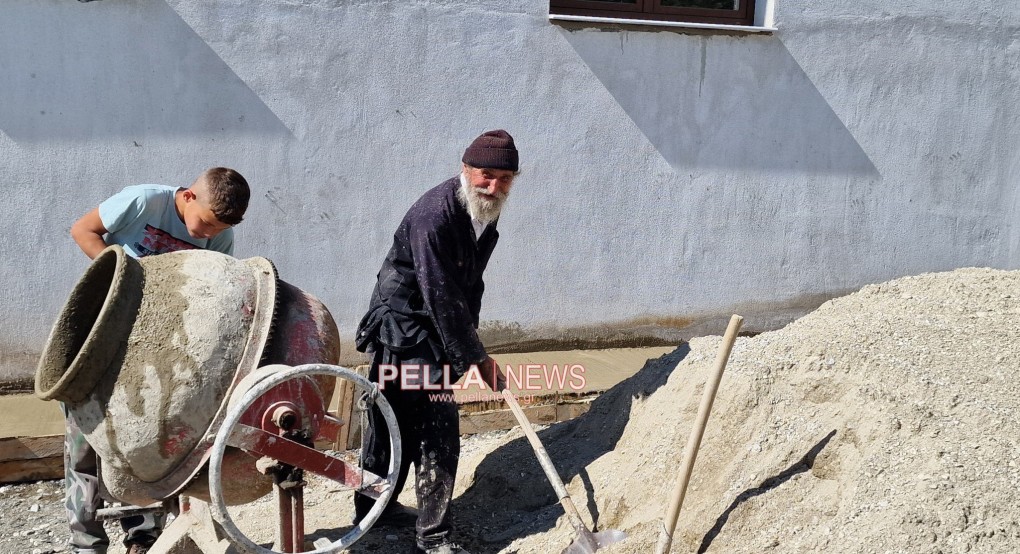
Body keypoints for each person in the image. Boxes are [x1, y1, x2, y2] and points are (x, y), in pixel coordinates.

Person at [65, 167, 251, 554]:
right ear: (187, 198)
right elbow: (82, 231)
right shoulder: (143, 200)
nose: (209, 235)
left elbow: (209, 291)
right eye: (205, 224)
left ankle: (143, 537)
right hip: (102, 330)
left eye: (218, 229)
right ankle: (86, 543)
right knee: (84, 444)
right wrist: (124, 281)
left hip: (156, 348)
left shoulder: (222, 236)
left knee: (143, 441)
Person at [353, 130, 519, 554]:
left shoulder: (484, 210)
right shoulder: (435, 214)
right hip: (403, 326)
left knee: (401, 421)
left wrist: (468, 342)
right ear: (465, 169)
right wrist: (477, 359)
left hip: (433, 323)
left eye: (504, 178)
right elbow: (440, 292)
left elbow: (470, 284)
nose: (494, 186)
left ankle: (376, 510)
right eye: (486, 175)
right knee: (430, 425)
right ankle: (433, 536)